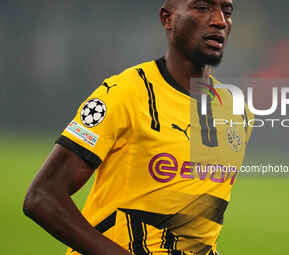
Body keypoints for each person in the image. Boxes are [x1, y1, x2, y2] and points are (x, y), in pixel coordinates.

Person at [23, 0, 253, 255]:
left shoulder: (237, 112)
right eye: (202, 8)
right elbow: (42, 196)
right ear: (168, 19)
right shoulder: (125, 93)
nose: (220, 20)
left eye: (227, 11)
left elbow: (198, 232)